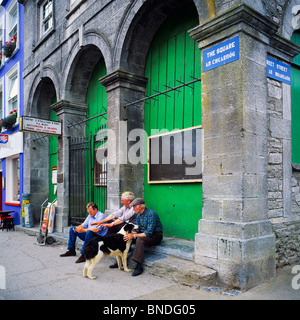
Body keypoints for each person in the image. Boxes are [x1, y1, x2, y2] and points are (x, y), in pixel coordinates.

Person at [91, 191, 136, 268]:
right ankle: (111, 244)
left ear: (128, 201)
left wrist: (111, 224)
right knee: (110, 223)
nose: (121, 202)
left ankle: (123, 252)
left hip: (133, 229)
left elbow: (122, 218)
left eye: (122, 200)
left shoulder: (133, 208)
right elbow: (114, 215)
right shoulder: (125, 207)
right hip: (125, 228)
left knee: (112, 224)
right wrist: (100, 222)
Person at [123, 198, 163, 276]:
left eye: (134, 206)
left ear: (140, 206)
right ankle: (121, 258)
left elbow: (148, 233)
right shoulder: (139, 215)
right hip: (144, 233)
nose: (133, 208)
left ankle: (139, 266)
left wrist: (134, 235)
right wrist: (132, 233)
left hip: (155, 235)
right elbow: (138, 228)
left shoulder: (151, 214)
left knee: (140, 240)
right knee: (127, 237)